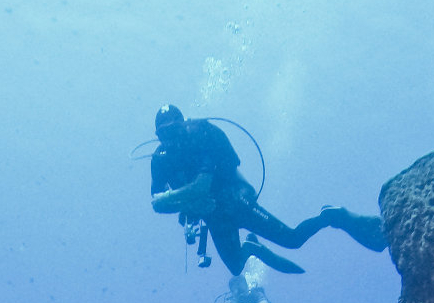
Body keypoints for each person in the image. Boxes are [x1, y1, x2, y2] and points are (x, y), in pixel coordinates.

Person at [149, 104, 387, 276]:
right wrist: (184, 204)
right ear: (157, 136)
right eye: (163, 134)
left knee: (292, 239)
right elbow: (156, 204)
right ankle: (252, 248)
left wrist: (170, 199)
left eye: (174, 130)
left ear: (183, 126)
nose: (170, 139)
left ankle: (332, 216)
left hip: (235, 201)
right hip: (214, 217)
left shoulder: (200, 139)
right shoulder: (160, 160)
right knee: (236, 268)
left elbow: (199, 187)